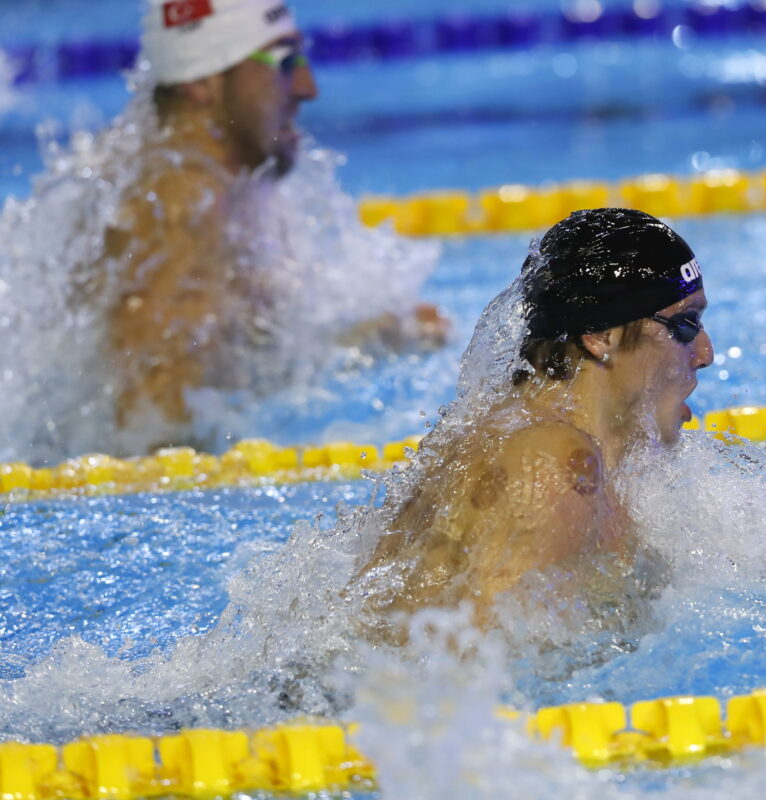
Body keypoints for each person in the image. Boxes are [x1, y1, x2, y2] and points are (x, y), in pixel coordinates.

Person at [357, 208, 714, 635]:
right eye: (685, 325)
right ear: (601, 336)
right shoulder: (554, 463)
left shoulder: (528, 437)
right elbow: (471, 676)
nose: (705, 354)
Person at [104, 0, 446, 434]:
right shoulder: (178, 211)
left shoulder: (202, 192)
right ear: (202, 80)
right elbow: (148, 432)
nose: (306, 87)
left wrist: (369, 339)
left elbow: (237, 362)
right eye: (285, 61)